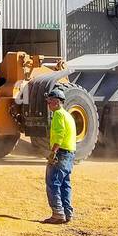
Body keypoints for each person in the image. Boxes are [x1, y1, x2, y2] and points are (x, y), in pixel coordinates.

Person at [43, 91, 76, 224]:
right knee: (65, 184)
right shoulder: (68, 115)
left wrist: (53, 152)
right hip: (70, 153)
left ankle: (57, 213)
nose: (48, 103)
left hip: (61, 153)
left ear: (56, 101)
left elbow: (59, 134)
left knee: (53, 183)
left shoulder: (58, 115)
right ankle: (67, 213)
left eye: (49, 101)